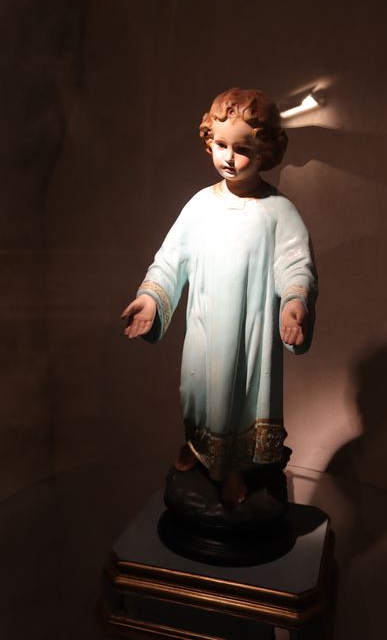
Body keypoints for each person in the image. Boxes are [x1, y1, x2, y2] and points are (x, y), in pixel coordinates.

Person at [121, 88, 317, 505]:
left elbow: (295, 264)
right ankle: (198, 447)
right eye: (221, 144)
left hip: (248, 334)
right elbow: (170, 260)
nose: (228, 157)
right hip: (205, 328)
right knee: (197, 393)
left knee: (237, 399)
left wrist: (294, 303)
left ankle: (231, 469)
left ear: (266, 151)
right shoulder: (200, 206)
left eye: (242, 149)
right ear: (209, 139)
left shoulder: (278, 211)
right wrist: (151, 299)